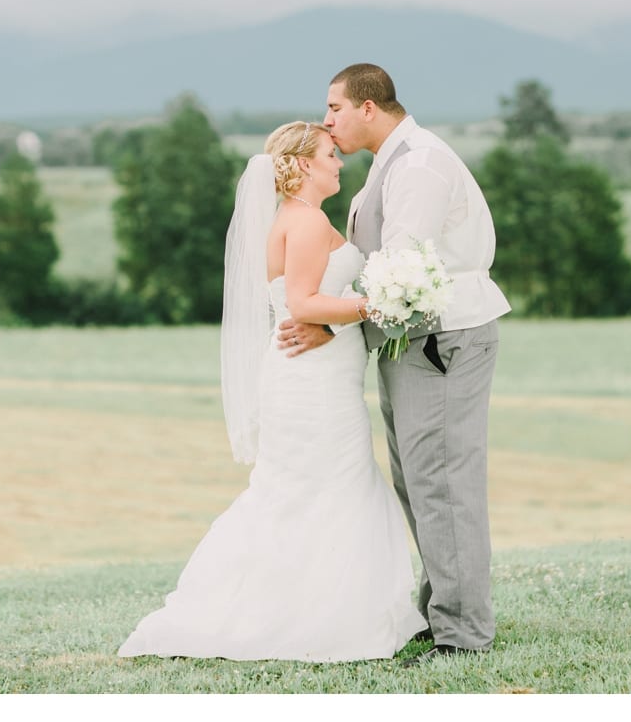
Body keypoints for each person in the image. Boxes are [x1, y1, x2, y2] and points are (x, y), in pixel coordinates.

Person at [117, 121, 427, 662]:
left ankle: (327, 608)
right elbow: (303, 305)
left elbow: (308, 303)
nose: (339, 162)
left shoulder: (303, 218)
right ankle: (295, 616)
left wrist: (353, 312)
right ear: (304, 164)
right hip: (310, 382)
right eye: (331, 154)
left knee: (318, 488)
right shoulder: (304, 224)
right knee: (318, 489)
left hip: (319, 373)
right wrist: (379, 306)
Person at [277, 63, 511, 666]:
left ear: (369, 108)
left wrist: (327, 321)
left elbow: (403, 268)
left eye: (334, 108)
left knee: (443, 483)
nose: (326, 120)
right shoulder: (392, 162)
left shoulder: (418, 166)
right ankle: (441, 613)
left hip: (442, 338)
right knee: (420, 479)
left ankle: (462, 635)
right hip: (408, 338)